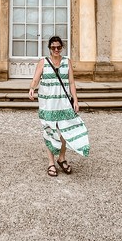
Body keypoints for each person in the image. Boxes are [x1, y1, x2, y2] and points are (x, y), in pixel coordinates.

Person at [28, 36, 90, 177]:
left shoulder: (67, 62)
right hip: (48, 103)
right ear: (49, 48)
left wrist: (76, 100)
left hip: (63, 102)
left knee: (65, 130)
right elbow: (36, 77)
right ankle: (51, 163)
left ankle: (61, 158)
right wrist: (32, 88)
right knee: (50, 131)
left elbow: (72, 82)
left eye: (59, 47)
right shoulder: (43, 62)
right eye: (53, 47)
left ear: (62, 47)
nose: (56, 49)